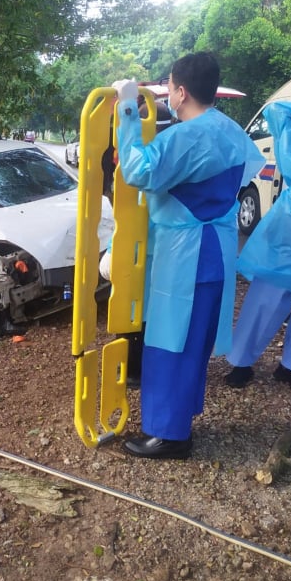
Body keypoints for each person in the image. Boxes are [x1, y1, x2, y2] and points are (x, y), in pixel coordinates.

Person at [112, 52, 264, 459]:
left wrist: (128, 106)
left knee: (169, 341)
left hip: (185, 255)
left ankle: (169, 434)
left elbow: (138, 171)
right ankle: (180, 421)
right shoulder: (232, 131)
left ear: (179, 92)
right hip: (217, 248)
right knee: (193, 341)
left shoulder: (183, 136)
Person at [224, 101, 291, 389]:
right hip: (290, 224)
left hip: (289, 224)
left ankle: (251, 365)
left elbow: (275, 110)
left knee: (265, 298)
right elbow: (275, 108)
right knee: (265, 297)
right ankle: (281, 366)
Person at [99, 101, 173, 386]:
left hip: (137, 245)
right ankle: (141, 369)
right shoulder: (169, 154)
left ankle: (130, 370)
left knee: (130, 310)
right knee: (151, 312)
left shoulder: (135, 157)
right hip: (160, 248)